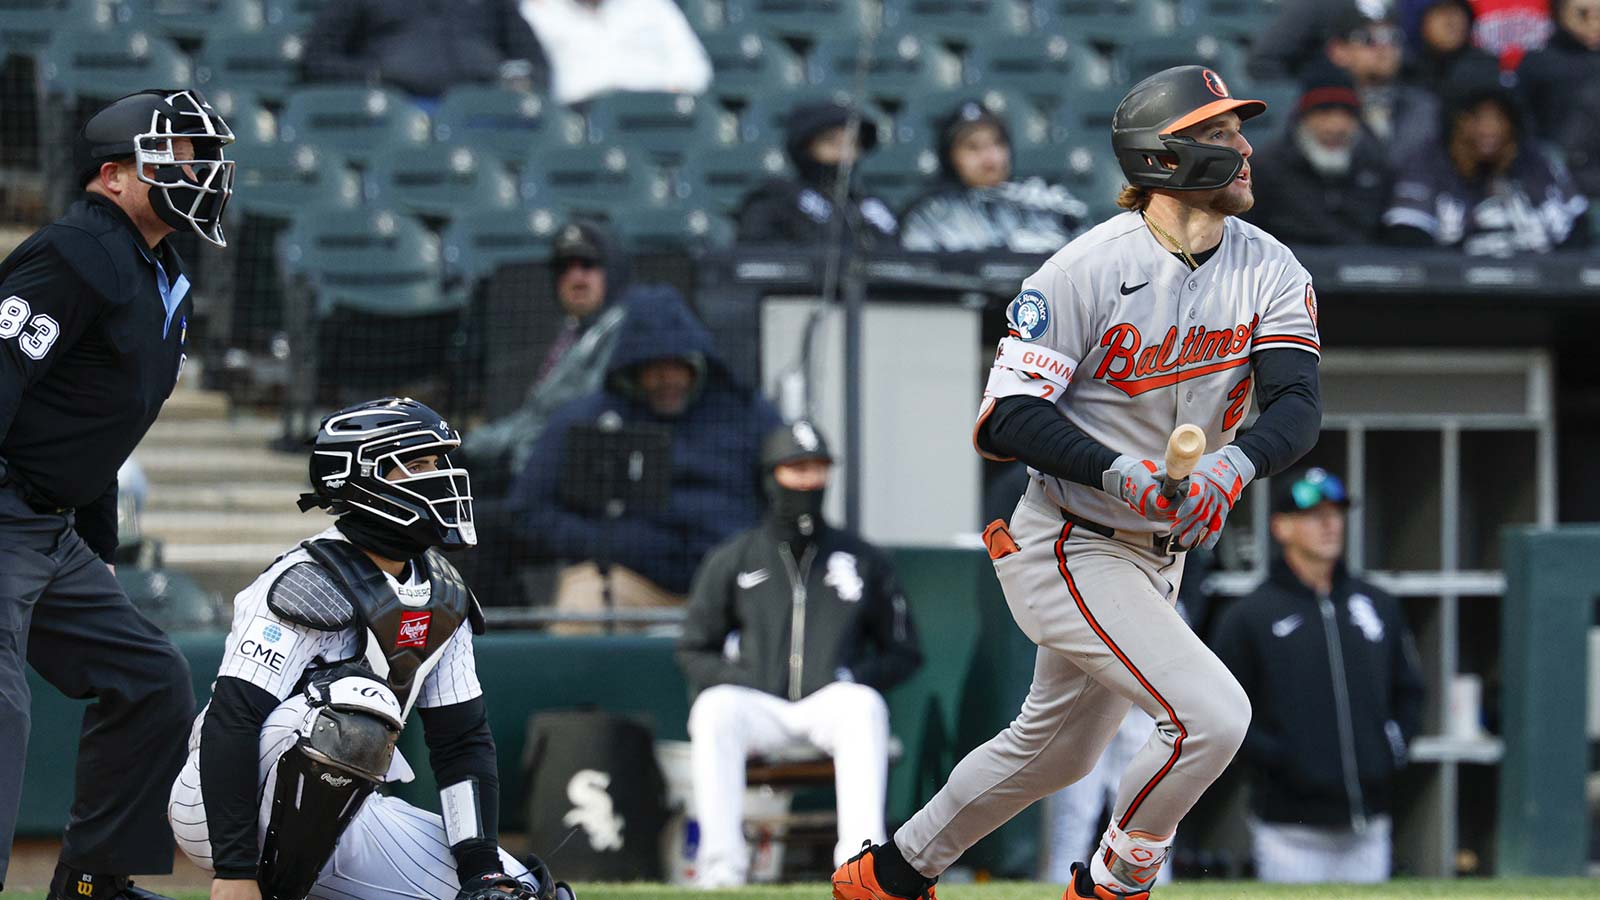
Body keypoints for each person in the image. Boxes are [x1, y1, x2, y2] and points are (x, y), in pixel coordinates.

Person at [832, 65, 1323, 900]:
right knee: (1211, 716)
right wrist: (1123, 474)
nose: (1243, 147)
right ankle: (1113, 882)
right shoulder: (1083, 268)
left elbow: (1296, 404)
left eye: (1238, 130)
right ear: (1159, 159)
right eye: (1215, 134)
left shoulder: (1270, 267)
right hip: (1068, 538)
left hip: (1156, 554)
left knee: (1055, 751)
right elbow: (1007, 417)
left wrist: (1234, 467)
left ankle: (888, 875)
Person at [167, 398, 576, 900]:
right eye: (420, 464)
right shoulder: (304, 581)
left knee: (524, 892)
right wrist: (234, 872)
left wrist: (480, 870)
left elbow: (461, 743)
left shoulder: (442, 594)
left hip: (345, 813)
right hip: (223, 809)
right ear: (361, 478)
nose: (441, 477)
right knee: (359, 705)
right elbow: (232, 721)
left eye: (439, 462)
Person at [0, 89, 237, 900]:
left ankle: (91, 885)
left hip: (47, 526)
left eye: (199, 156)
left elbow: (99, 426)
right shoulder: (75, 252)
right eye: (173, 156)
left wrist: (96, 549)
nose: (197, 170)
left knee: (151, 677)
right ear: (112, 176)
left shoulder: (160, 275)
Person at [676, 421, 923, 888]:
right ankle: (721, 868)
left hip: (828, 700)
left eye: (817, 469)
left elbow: (904, 649)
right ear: (771, 476)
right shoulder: (736, 556)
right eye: (796, 469)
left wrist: (851, 674)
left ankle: (860, 867)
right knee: (713, 709)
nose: (809, 481)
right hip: (760, 703)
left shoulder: (862, 557)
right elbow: (693, 648)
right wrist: (742, 677)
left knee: (863, 704)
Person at [510, 287, 781, 631]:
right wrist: (603, 542)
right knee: (580, 609)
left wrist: (748, 544)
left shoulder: (747, 414)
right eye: (653, 367)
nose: (666, 378)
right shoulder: (587, 419)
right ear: (631, 368)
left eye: (677, 365)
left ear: (698, 361)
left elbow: (789, 490)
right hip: (628, 579)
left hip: (732, 579)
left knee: (787, 606)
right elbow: (528, 508)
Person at [1212, 467, 1424, 883]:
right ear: (1281, 527)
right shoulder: (1248, 616)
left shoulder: (1377, 603)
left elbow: (1410, 689)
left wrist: (1391, 748)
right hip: (1288, 830)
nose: (1330, 524)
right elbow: (1223, 711)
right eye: (1313, 514)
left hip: (1370, 823)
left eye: (1336, 512)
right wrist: (1281, 760)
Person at [464, 220, 631, 495]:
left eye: (588, 265)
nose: (576, 278)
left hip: (571, 486)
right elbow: (531, 419)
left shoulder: (619, 333)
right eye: (565, 268)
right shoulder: (576, 334)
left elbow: (574, 420)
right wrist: (464, 446)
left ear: (611, 272)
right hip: (534, 473)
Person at [1382, 72, 1589, 254]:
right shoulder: (1428, 163)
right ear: (1457, 121)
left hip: (1543, 290)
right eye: (1477, 117)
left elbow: (1577, 228)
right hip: (1454, 291)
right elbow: (1408, 234)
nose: (1489, 129)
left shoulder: (1538, 163)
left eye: (1499, 118)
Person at [898, 98, 1089, 254]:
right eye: (973, 147)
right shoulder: (929, 214)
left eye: (997, 144)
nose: (990, 158)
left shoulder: (1046, 203)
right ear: (949, 157)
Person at [1245, 65, 1394, 244]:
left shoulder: (1377, 167)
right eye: (1324, 113)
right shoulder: (1266, 169)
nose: (1336, 126)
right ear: (1303, 117)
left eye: (1347, 114)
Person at [303, 0, 548, 102]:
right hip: (396, 105)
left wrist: (518, 82)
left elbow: (536, 65)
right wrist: (374, 74)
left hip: (481, 107)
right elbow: (317, 60)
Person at [737, 100, 899, 249]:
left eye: (853, 143)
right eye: (832, 142)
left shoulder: (873, 206)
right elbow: (755, 262)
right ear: (805, 147)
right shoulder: (776, 199)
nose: (845, 154)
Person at [517, 0, 712, 105]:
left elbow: (695, 69)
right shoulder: (539, 11)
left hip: (658, 106)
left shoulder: (653, 5)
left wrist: (673, 90)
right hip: (582, 112)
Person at [1324, 5, 1442, 169]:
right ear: (1338, 50)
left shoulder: (1425, 108)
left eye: (1392, 36)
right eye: (1368, 38)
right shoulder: (1319, 110)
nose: (1383, 47)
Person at [1517, 0, 1600, 194]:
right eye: (1583, 13)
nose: (1595, 23)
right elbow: (1523, 123)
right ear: (1559, 14)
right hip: (1559, 181)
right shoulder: (1538, 63)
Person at [1399, 0, 1502, 92]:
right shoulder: (1408, 73)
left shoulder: (1485, 68)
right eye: (1440, 12)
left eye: (1456, 11)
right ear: (1420, 24)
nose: (1451, 22)